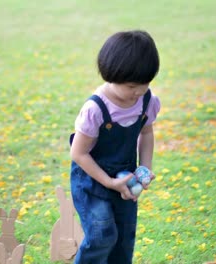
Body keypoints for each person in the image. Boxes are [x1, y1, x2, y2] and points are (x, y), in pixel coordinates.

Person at [69, 30, 161, 263]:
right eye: (132, 86)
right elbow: (79, 153)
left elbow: (147, 132)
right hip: (92, 180)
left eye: (145, 83)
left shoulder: (146, 101)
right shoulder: (96, 109)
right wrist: (110, 182)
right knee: (102, 235)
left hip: (126, 179)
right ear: (111, 76)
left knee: (124, 238)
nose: (139, 91)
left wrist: (145, 167)